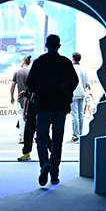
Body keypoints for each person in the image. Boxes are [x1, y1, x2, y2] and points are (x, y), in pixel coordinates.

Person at [25, 34, 79, 186]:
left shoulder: (39, 62)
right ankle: (54, 174)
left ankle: (44, 164)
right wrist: (65, 92)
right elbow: (74, 81)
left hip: (43, 106)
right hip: (60, 107)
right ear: (59, 46)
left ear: (46, 45)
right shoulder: (65, 62)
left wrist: (39, 91)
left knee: (41, 138)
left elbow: (30, 83)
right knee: (57, 141)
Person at [11, 55, 32, 148]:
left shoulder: (17, 72)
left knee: (21, 118)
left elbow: (12, 86)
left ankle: (22, 137)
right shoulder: (31, 71)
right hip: (31, 99)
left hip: (21, 99)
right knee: (31, 118)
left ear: (23, 61)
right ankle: (31, 136)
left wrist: (11, 97)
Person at [69, 52, 90, 142]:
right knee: (81, 115)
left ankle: (75, 135)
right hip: (82, 94)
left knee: (74, 115)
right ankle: (80, 134)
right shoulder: (83, 69)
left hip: (73, 94)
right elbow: (86, 83)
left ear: (73, 58)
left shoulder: (70, 68)